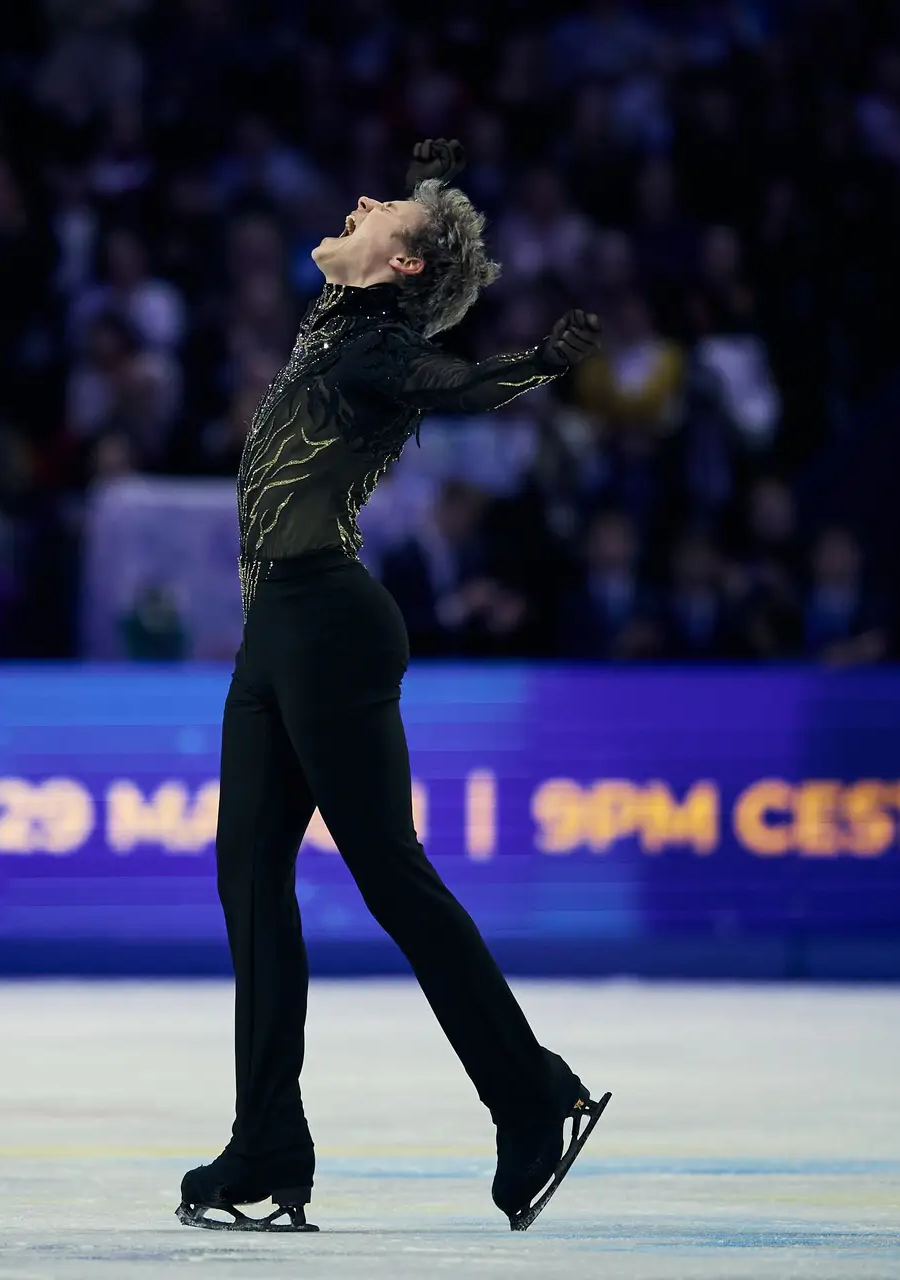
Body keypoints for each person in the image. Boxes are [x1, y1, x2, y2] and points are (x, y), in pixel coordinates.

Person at [180, 140, 608, 1235]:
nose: (356, 199)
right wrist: (431, 200)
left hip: (326, 622)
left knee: (392, 877)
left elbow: (453, 383)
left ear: (402, 271)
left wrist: (538, 362)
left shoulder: (376, 347)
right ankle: (268, 1132)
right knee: (249, 882)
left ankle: (532, 1092)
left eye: (381, 213)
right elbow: (411, 289)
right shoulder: (346, 322)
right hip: (277, 630)